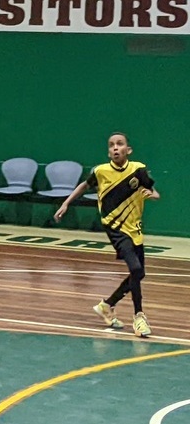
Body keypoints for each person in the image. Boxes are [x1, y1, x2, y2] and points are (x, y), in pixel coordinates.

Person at [54, 132, 159, 337]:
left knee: (139, 273)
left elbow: (154, 191)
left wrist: (152, 195)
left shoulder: (138, 170)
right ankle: (139, 317)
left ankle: (107, 305)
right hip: (115, 228)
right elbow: (84, 186)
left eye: (120, 144)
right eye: (111, 145)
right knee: (136, 268)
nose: (115, 148)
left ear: (128, 150)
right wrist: (66, 203)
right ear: (109, 151)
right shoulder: (101, 172)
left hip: (135, 228)